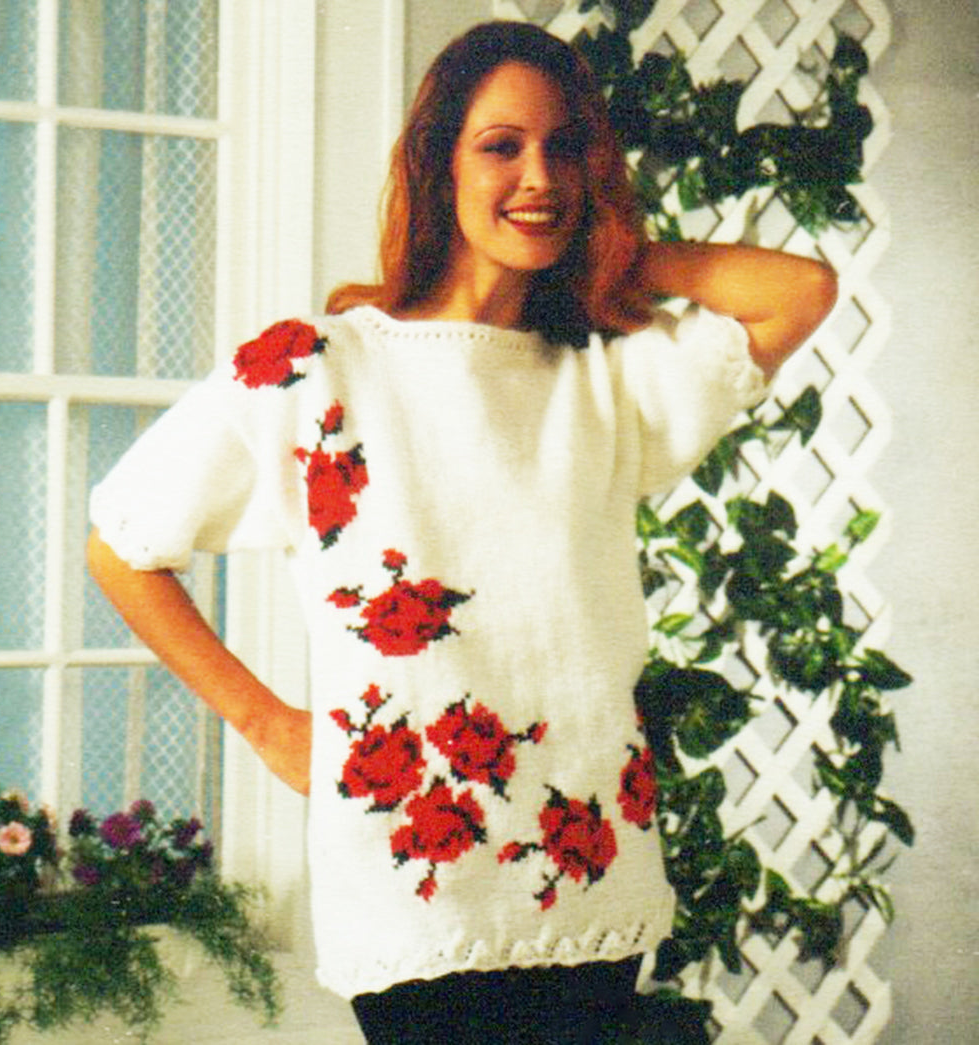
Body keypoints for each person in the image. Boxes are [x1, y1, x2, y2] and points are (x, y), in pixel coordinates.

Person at [86, 20, 837, 1045]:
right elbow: (122, 545)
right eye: (501, 146)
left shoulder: (602, 375)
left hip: (587, 867)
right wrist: (267, 724)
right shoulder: (314, 369)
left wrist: (615, 245)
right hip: (417, 882)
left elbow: (800, 293)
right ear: (437, 166)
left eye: (564, 148)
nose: (539, 175)